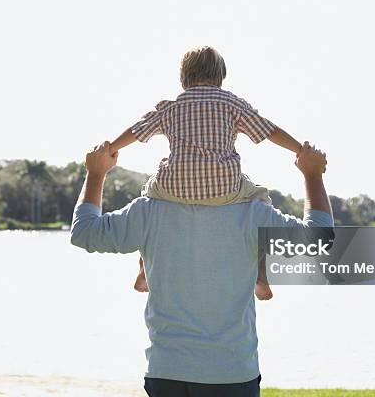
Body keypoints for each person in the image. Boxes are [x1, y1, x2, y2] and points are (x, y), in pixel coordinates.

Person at [70, 140, 333, 397]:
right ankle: (257, 275)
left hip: (166, 372)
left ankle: (146, 269)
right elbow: (319, 239)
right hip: (231, 373)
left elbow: (84, 232)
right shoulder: (253, 213)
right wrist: (312, 175)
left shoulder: (148, 211)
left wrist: (96, 174)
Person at [109, 46, 304, 300]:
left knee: (148, 196)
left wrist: (111, 148)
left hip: (173, 187)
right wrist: (299, 150)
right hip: (225, 187)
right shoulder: (232, 104)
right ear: (221, 77)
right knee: (261, 200)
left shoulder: (171, 107)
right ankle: (260, 273)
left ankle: (144, 269)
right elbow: (269, 130)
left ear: (183, 78)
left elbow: (136, 130)